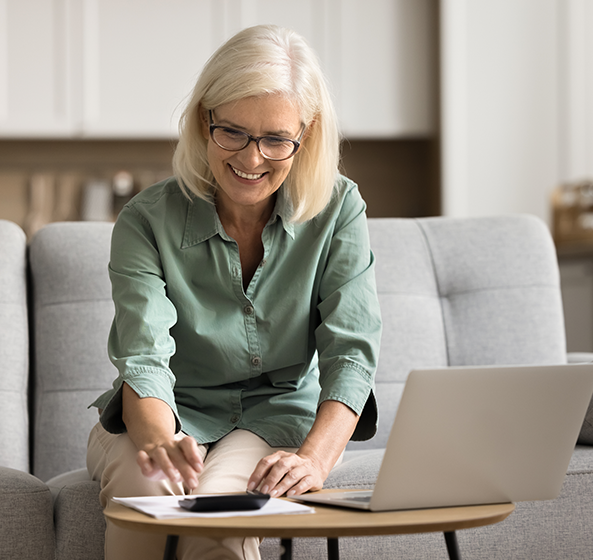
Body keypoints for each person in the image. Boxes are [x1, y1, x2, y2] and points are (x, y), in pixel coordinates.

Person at [86, 24, 382, 560]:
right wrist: (158, 440)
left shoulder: (340, 208)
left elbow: (352, 352)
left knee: (217, 518)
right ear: (205, 122)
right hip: (165, 413)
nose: (251, 159)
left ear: (307, 135)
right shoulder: (146, 221)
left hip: (276, 412)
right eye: (233, 133)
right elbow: (143, 357)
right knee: (147, 498)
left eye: (276, 139)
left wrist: (314, 459)